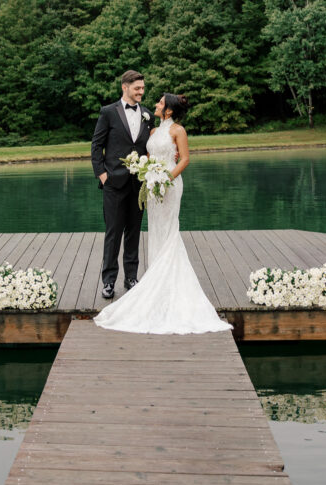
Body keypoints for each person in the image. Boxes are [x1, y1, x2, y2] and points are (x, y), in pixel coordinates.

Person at [94, 93, 232, 334]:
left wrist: (167, 177)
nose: (154, 104)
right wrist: (146, 170)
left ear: (168, 111)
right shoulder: (154, 130)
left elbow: (185, 158)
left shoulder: (178, 130)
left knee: (168, 230)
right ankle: (148, 278)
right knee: (154, 230)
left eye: (160, 103)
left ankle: (158, 279)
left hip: (169, 185)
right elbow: (145, 153)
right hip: (150, 184)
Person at [90, 70, 153, 299]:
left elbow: (149, 147)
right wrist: (102, 175)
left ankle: (131, 278)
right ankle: (108, 282)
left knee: (134, 233)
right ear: (124, 87)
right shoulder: (108, 112)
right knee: (113, 233)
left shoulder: (147, 114)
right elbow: (96, 145)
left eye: (143, 88)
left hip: (139, 186)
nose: (141, 92)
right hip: (114, 183)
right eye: (137, 88)